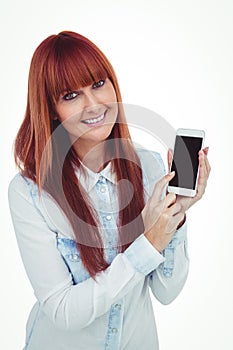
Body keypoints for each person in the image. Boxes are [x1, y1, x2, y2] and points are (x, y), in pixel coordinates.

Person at [8, 31, 210, 350]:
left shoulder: (150, 166)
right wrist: (148, 243)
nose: (93, 105)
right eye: (70, 95)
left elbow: (167, 292)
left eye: (99, 84)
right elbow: (63, 311)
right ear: (50, 110)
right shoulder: (30, 193)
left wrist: (177, 217)